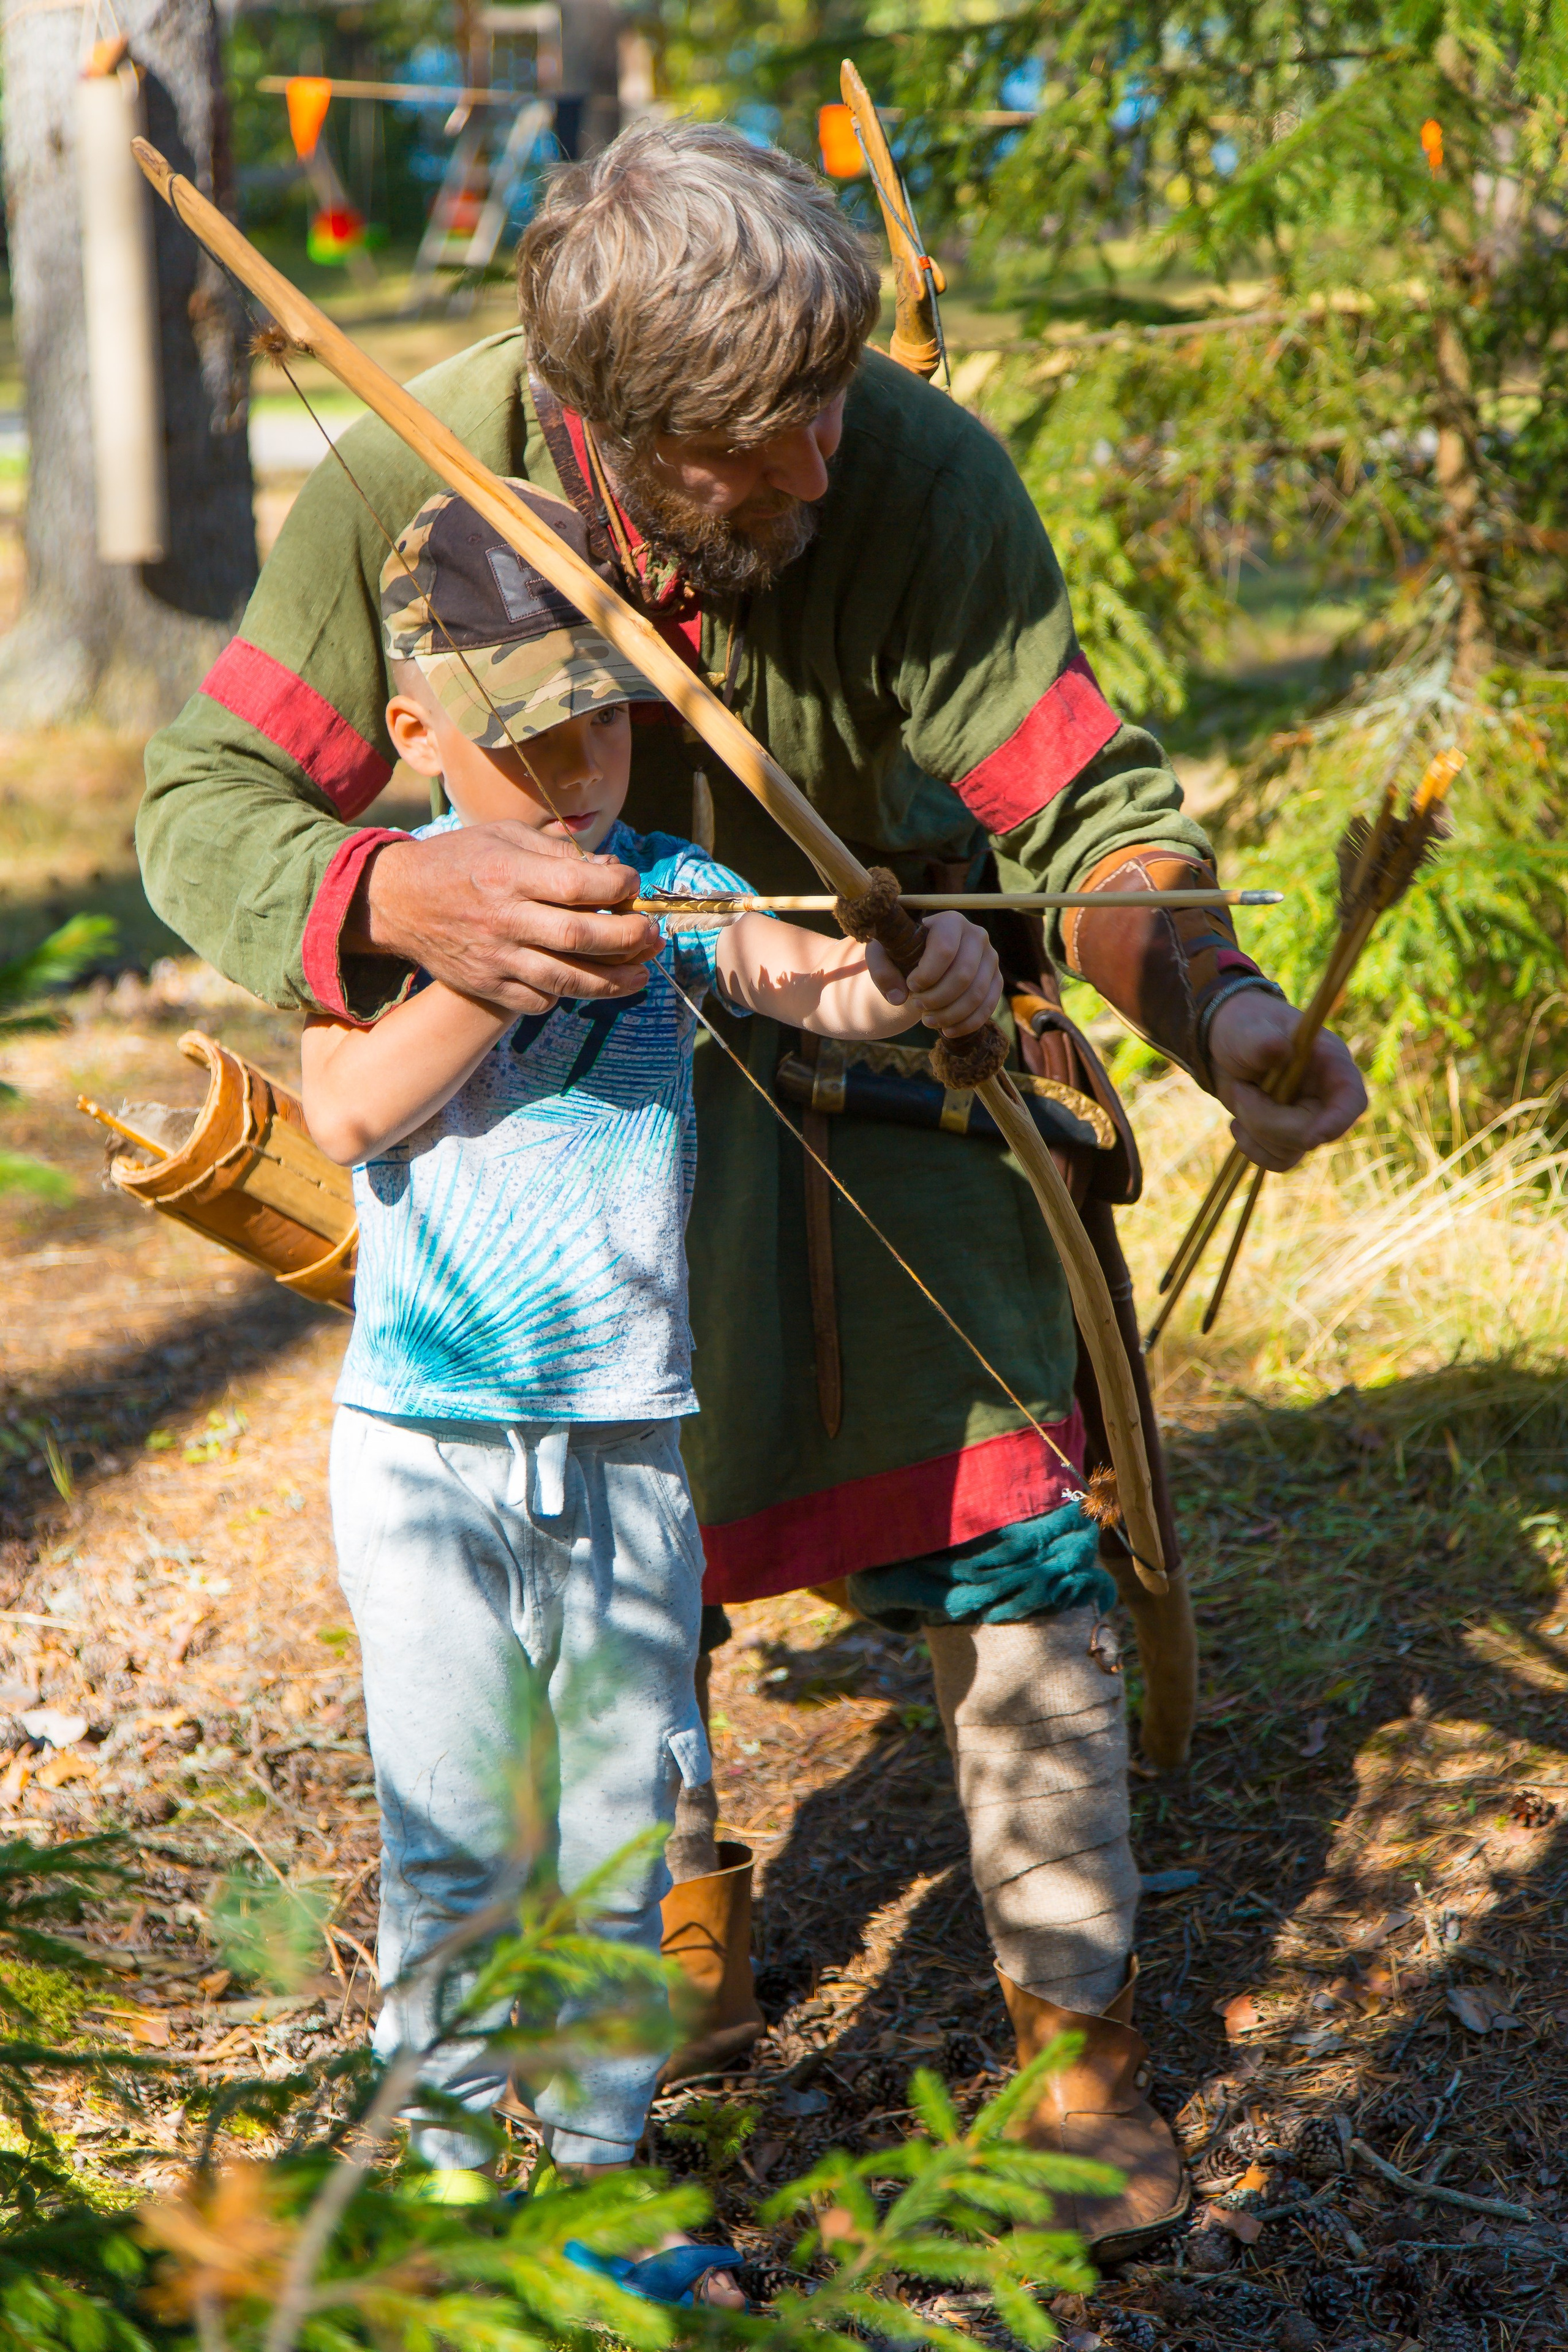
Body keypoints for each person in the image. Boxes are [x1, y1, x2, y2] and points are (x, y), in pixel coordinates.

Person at [138, 121, 1366, 2257]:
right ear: (615, 427)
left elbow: (1074, 808)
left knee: (1014, 1518)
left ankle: (1071, 2053)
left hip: (894, 1071)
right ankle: (671, 1980)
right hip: (560, 1138)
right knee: (624, 1561)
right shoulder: (406, 485)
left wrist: (1225, 1006)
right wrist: (397, 891)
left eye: (833, 408)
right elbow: (205, 797)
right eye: (763, 437)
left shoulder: (904, 466)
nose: (820, 466)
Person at [303, 478, 1003, 2297]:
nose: (579, 761)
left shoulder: (681, 888)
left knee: (623, 1817)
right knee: (455, 1838)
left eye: (606, 710)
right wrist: (503, 958)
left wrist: (905, 966)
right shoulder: (387, 912)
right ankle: (443, 2217)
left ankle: (599, 2194)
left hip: (622, 1446)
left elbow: (799, 977)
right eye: (526, 730)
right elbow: (350, 1108)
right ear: (417, 732)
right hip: (429, 1456)